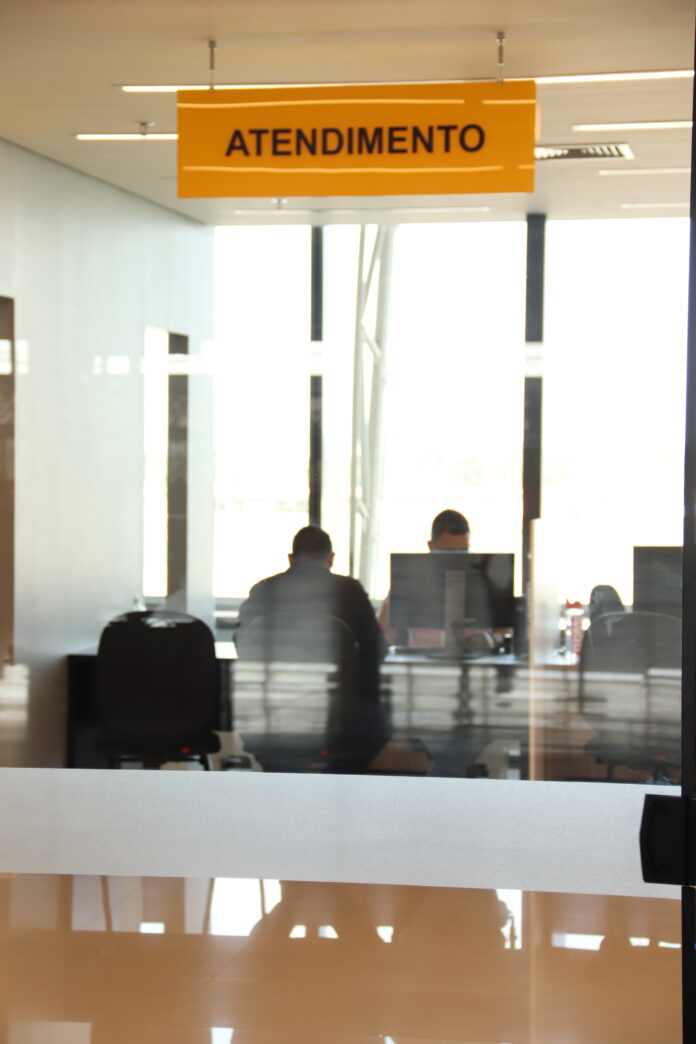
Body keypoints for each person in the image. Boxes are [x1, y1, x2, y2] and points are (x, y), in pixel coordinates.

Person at [235, 525, 388, 770]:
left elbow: (243, 646)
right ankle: (337, 779)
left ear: (291, 558)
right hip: (335, 721)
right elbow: (377, 651)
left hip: (270, 721)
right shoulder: (349, 590)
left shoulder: (262, 590)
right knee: (381, 721)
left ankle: (283, 776)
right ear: (331, 558)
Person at [378, 509, 471, 644]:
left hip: (475, 654)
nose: (456, 559)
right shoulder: (412, 580)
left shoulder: (480, 580)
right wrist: (398, 591)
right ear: (431, 546)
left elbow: (499, 633)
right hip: (421, 654)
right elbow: (386, 632)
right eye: (448, 552)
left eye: (463, 552)